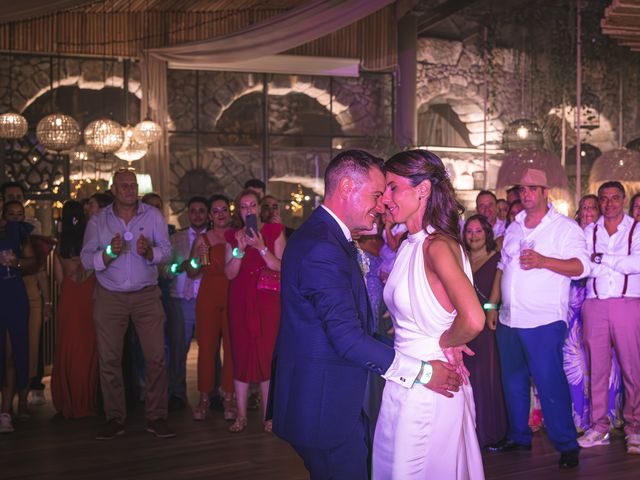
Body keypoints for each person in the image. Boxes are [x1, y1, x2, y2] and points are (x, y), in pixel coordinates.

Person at [270, 149, 464, 479]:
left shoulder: (326, 237)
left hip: (323, 399)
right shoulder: (323, 247)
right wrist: (424, 373)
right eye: (376, 194)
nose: (381, 204)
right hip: (324, 409)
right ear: (347, 186)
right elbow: (346, 338)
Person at [373, 149, 485, 479]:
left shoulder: (437, 246)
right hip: (405, 378)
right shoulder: (410, 244)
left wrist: (447, 341)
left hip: (431, 387)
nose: (385, 200)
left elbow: (474, 318)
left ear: (422, 189)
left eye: (393, 188)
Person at [486, 168, 589, 470]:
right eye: (523, 189)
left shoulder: (565, 228)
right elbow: (502, 267)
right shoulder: (514, 226)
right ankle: (519, 436)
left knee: (549, 384)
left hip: (543, 320)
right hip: (509, 318)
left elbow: (581, 267)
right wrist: (493, 307)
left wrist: (543, 261)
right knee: (513, 382)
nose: (526, 194)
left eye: (533, 189)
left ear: (546, 192)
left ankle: (567, 445)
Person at [81, 169, 174, 440]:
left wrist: (150, 252)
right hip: (110, 296)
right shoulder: (99, 221)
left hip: (146, 295)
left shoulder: (153, 216)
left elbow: (167, 251)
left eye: (133, 185)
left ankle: (157, 417)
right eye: (124, 185)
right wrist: (109, 253)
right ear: (113, 190)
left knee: (156, 358)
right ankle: (114, 418)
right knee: (109, 360)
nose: (129, 189)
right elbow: (86, 259)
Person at [580, 181, 640, 455]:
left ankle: (635, 428)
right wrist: (614, 262)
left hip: (628, 304)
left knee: (632, 369)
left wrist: (604, 260)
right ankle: (599, 427)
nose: (609, 204)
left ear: (623, 200)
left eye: (615, 198)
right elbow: (582, 267)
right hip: (594, 305)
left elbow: (636, 263)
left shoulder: (636, 228)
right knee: (598, 369)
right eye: (604, 199)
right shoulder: (588, 231)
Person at [225, 189, 286, 433]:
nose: (248, 210)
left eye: (252, 205)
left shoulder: (274, 232)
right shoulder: (232, 236)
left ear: (260, 208)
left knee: (266, 354)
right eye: (243, 206)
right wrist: (239, 249)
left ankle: (267, 416)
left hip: (267, 301)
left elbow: (282, 266)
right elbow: (229, 273)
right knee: (240, 353)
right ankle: (240, 415)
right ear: (238, 211)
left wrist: (261, 247)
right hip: (240, 300)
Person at [186, 195, 236, 421]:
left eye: (224, 209)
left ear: (230, 211)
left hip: (233, 294)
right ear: (210, 216)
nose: (220, 214)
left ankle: (229, 400)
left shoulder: (237, 236)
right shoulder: (202, 239)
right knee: (207, 349)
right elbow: (191, 271)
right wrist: (197, 260)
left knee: (232, 349)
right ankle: (204, 399)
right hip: (207, 295)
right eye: (215, 211)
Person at [463, 214, 508, 448]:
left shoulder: (497, 258)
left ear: (487, 234)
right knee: (468, 379)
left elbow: (497, 294)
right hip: (464, 326)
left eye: (478, 231)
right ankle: (469, 434)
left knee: (487, 377)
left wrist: (489, 309)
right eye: (469, 231)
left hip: (487, 326)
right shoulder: (461, 258)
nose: (473, 236)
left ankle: (491, 433)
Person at [50, 200, 98, 419]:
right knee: (88, 349)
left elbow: (60, 280)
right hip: (88, 297)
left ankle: (68, 401)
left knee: (68, 348)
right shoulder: (91, 240)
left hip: (69, 298)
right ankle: (87, 400)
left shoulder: (60, 245)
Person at [163, 196, 209, 412]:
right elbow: (164, 271)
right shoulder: (176, 239)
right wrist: (176, 268)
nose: (197, 215)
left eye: (201, 211)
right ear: (188, 214)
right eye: (193, 211)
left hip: (207, 299)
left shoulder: (214, 238)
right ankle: (177, 394)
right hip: (181, 299)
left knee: (209, 351)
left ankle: (210, 394)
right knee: (178, 349)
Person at [0, 205, 36, 433]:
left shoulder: (22, 234)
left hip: (14, 294)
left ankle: (6, 410)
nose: (15, 218)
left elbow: (32, 262)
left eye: (18, 214)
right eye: (10, 214)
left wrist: (18, 263)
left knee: (13, 353)